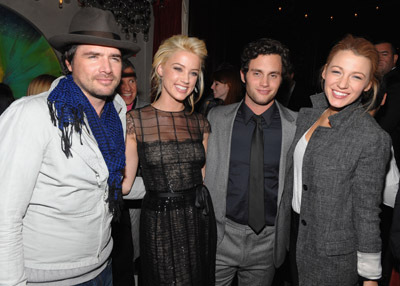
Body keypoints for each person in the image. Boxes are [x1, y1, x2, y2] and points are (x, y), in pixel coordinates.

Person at [0, 7, 140, 285]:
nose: (106, 67)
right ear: (68, 63)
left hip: (103, 266)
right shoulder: (33, 115)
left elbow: (105, 183)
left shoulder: (117, 112)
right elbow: (5, 213)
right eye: (93, 56)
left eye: (114, 57)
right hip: (47, 278)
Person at [282, 34, 391, 285]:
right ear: (324, 72)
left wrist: (370, 276)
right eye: (337, 71)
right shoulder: (307, 116)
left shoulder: (371, 137)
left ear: (367, 85)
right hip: (296, 237)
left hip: (332, 257)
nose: (342, 84)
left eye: (356, 76)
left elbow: (367, 211)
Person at [122, 35, 217, 285]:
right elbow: (125, 184)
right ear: (161, 69)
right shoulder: (137, 121)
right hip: (158, 222)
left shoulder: (201, 123)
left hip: (197, 219)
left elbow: (203, 177)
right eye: (178, 68)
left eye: (193, 73)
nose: (186, 79)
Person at [204, 37, 297, 285]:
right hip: (221, 238)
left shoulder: (296, 126)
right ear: (243, 76)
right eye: (257, 73)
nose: (265, 83)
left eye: (273, 75)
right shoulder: (217, 119)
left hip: (268, 243)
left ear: (283, 78)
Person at [111, 58, 147, 286]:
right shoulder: (106, 111)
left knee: (141, 247)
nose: (127, 88)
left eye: (132, 81)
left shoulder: (150, 112)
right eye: (122, 82)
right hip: (117, 197)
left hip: (144, 197)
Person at [374, 39, 400, 286]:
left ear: (394, 59)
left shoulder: (395, 84)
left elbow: (387, 124)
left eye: (385, 54)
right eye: (376, 54)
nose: (380, 58)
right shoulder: (376, 81)